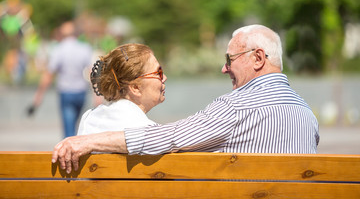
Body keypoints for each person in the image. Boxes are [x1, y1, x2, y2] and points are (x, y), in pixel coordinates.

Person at [52, 24, 320, 174]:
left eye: (229, 60)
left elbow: (168, 138)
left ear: (258, 58)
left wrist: (87, 140)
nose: (224, 68)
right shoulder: (307, 114)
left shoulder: (235, 108)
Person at [77, 43, 165, 135]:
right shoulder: (148, 132)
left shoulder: (89, 118)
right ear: (135, 88)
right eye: (158, 73)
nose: (164, 78)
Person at [28, 21, 93, 137]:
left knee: (68, 129)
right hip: (81, 92)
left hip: (66, 92)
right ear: (76, 34)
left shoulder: (58, 49)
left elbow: (48, 74)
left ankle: (70, 152)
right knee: (77, 125)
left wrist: (38, 97)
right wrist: (97, 95)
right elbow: (92, 72)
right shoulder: (85, 49)